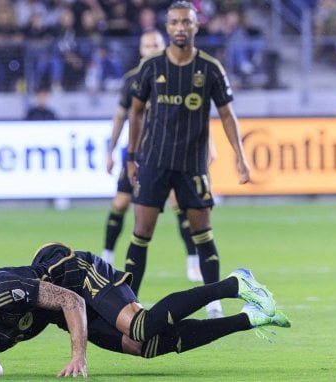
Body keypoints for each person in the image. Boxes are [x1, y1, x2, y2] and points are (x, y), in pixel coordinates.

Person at [0, 242, 291, 377]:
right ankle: (252, 318)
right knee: (148, 348)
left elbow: (69, 300)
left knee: (140, 326)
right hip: (62, 314)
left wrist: (79, 355)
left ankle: (236, 283)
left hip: (77, 278)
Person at [125, 1, 251, 318]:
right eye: (175, 22)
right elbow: (136, 112)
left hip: (192, 164)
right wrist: (131, 155)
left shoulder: (210, 69)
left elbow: (227, 115)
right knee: (142, 232)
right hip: (154, 162)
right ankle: (129, 305)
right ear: (167, 27)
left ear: (196, 26)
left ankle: (213, 301)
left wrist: (240, 156)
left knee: (202, 232)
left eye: (186, 22)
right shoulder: (151, 67)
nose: (180, 27)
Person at [103, 29, 204, 282]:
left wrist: (207, 145)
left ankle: (193, 262)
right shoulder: (132, 79)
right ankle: (106, 256)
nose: (151, 49)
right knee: (120, 203)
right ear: (140, 49)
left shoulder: (177, 74)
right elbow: (120, 115)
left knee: (178, 203)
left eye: (156, 44)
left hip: (169, 150)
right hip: (138, 151)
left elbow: (194, 113)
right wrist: (111, 150)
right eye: (147, 45)